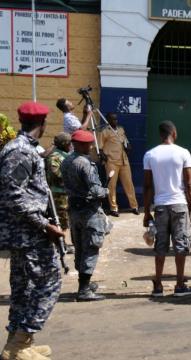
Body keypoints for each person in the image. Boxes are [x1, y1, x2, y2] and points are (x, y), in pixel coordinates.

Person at [0, 101, 64, 360]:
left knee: (24, 287)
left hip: (25, 231)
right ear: (43, 124)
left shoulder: (21, 148)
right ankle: (20, 342)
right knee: (48, 282)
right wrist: (44, 224)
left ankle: (16, 343)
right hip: (27, 232)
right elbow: (12, 195)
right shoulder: (21, 152)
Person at [143, 121, 191, 297]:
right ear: (173, 132)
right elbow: (189, 183)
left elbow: (148, 186)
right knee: (181, 246)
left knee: (160, 246)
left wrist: (146, 212)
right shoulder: (183, 153)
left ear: (160, 134)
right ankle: (179, 285)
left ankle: (158, 285)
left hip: (160, 207)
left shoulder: (150, 154)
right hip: (179, 205)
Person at [61, 130, 110, 302]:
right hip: (89, 211)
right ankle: (84, 290)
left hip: (74, 210)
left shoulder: (66, 161)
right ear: (80, 144)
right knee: (91, 247)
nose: (90, 147)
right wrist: (106, 191)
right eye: (88, 144)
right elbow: (96, 190)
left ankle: (84, 284)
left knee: (80, 247)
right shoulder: (85, 164)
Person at [98, 112, 139, 217]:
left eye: (116, 119)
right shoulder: (104, 132)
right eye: (112, 119)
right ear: (108, 120)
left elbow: (126, 141)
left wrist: (128, 146)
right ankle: (113, 208)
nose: (115, 121)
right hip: (112, 162)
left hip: (124, 161)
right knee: (112, 186)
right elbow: (99, 148)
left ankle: (134, 206)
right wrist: (104, 157)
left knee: (129, 184)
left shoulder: (121, 129)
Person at [46, 132, 74, 253]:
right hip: (59, 194)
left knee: (65, 219)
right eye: (69, 143)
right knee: (61, 220)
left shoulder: (65, 155)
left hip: (65, 192)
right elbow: (55, 174)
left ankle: (61, 243)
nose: (71, 146)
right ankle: (61, 246)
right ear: (64, 144)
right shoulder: (55, 157)